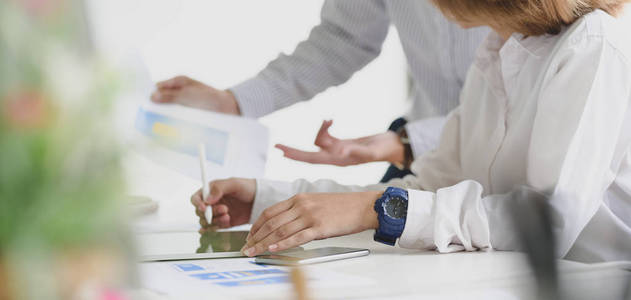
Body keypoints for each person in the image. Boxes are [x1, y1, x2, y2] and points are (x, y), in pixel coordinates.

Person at [191, 0, 631, 263]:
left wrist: (380, 209)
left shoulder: (591, 46)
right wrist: (273, 201)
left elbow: (547, 223)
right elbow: (430, 185)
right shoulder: (498, 47)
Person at [151, 0, 489, 182]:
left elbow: (527, 98)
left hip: (515, 157)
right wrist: (235, 101)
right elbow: (344, 38)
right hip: (415, 146)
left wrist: (408, 143)